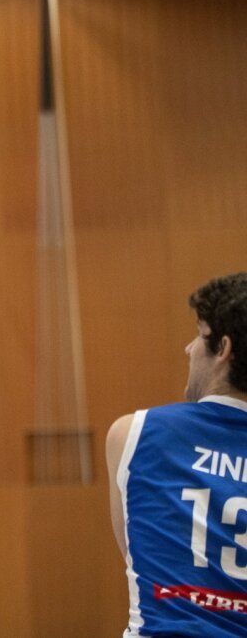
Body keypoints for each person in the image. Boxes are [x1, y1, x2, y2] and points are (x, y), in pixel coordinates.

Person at [106, 272, 247, 637]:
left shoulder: (132, 434)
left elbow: (138, 555)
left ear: (224, 348)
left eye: (200, 335)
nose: (189, 348)